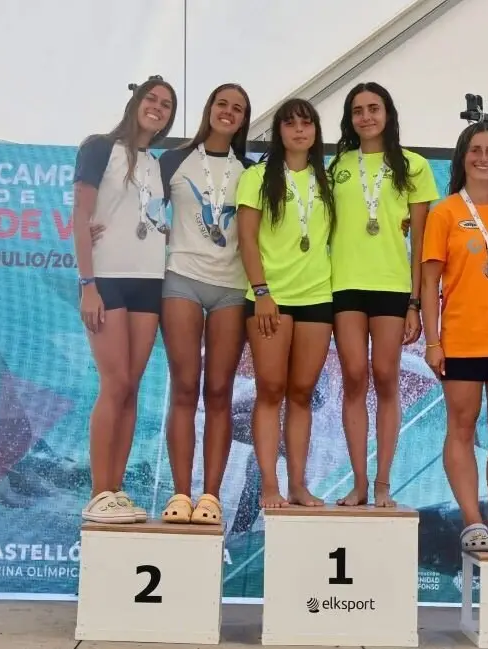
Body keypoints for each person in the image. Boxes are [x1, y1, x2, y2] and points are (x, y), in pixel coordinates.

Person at [327, 82, 440, 507]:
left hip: (393, 287)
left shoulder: (413, 166)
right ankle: (358, 482)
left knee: (386, 378)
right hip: (345, 285)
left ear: (388, 113)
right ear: (350, 119)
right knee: (354, 379)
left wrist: (414, 301)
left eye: (374, 108)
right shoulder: (337, 166)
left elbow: (423, 244)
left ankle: (382, 484)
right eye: (358, 110)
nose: (366, 117)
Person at [421, 121, 488, 552]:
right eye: (476, 150)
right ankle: (472, 521)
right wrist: (433, 340)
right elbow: (430, 282)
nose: (484, 158)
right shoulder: (445, 212)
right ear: (463, 158)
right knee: (461, 428)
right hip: (462, 339)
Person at [73, 75, 178, 523]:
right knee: (113, 384)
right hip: (108, 279)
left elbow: (151, 216)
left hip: (149, 281)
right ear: (136, 101)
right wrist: (87, 284)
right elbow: (80, 215)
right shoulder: (98, 147)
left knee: (131, 388)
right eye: (152, 99)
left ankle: (115, 491)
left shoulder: (159, 165)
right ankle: (98, 492)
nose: (157, 107)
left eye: (167, 104)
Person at [155, 84, 253, 524]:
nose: (228, 112)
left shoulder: (250, 171)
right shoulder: (173, 160)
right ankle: (180, 493)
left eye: (237, 108)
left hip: (232, 287)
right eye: (221, 104)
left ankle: (210, 496)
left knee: (219, 392)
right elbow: (142, 212)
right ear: (208, 109)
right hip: (182, 280)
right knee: (184, 386)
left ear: (244, 118)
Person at [236, 98, 337, 509]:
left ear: (315, 131)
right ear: (278, 132)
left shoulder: (327, 180)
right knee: (270, 390)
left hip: (317, 297)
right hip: (269, 299)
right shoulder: (257, 177)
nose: (299, 130)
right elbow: (246, 239)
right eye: (291, 124)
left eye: (307, 123)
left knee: (301, 393)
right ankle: (269, 486)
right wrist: (261, 291)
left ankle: (297, 485)